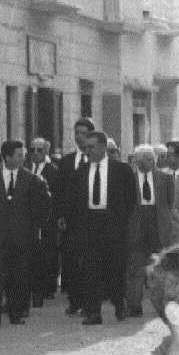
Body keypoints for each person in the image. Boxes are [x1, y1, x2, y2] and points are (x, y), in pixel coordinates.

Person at [0, 140, 52, 326]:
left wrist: (33, 228)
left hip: (22, 237)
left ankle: (16, 312)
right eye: (19, 155)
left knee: (18, 276)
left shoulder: (30, 179)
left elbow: (41, 207)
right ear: (7, 157)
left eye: (23, 155)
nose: (23, 159)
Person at [75, 130, 137, 325]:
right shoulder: (82, 172)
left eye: (91, 147)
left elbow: (130, 200)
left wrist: (120, 223)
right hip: (90, 224)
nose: (88, 151)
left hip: (114, 225)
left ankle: (120, 303)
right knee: (91, 269)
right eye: (85, 148)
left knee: (116, 268)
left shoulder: (122, 170)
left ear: (103, 146)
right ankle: (94, 312)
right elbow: (75, 202)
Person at [126, 145, 174, 318]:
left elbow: (170, 202)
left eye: (148, 160)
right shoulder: (129, 179)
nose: (144, 164)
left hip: (158, 224)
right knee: (134, 266)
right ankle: (133, 305)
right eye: (140, 161)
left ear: (153, 161)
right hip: (136, 225)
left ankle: (163, 306)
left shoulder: (165, 178)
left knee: (161, 267)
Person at [59, 119, 96, 315]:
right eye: (76, 133)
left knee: (90, 261)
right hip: (71, 221)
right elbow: (60, 192)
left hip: (92, 218)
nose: (78, 137)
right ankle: (75, 300)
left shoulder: (96, 160)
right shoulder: (66, 162)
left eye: (82, 133)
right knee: (71, 261)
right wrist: (60, 215)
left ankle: (90, 301)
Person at [26, 137, 62, 305]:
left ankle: (48, 287)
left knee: (49, 252)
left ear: (46, 151)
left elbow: (56, 196)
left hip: (49, 219)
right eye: (32, 149)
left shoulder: (54, 171)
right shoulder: (26, 169)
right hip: (29, 219)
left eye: (39, 150)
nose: (35, 153)